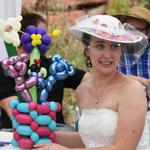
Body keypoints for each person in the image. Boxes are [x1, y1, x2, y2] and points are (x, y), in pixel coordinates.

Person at [33, 15, 149, 150]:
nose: (107, 54)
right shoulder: (83, 90)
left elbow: (124, 147)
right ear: (87, 49)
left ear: (121, 51)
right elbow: (88, 140)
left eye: (114, 46)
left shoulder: (132, 91)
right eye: (100, 46)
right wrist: (46, 134)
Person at [0, 12, 90, 130]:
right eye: (43, 34)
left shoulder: (55, 66)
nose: (48, 39)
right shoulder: (6, 68)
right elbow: (14, 113)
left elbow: (89, 80)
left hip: (58, 132)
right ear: (26, 36)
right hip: (17, 133)